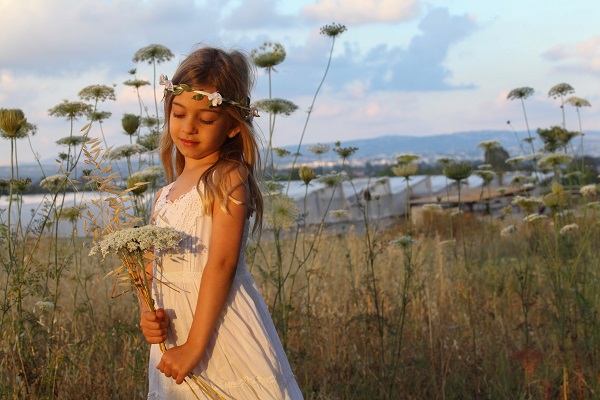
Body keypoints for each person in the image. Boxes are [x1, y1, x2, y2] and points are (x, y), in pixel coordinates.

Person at [139, 46, 303, 400]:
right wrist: (146, 314)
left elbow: (223, 263)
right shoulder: (163, 195)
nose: (189, 127)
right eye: (179, 114)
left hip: (219, 331)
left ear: (232, 126)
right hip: (176, 331)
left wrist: (195, 346)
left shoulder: (228, 177)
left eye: (207, 120)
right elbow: (150, 267)